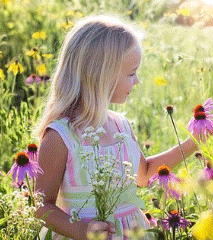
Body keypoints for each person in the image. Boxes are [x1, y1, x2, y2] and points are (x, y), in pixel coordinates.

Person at [33, 14, 199, 240]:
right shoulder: (61, 136)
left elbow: (144, 174)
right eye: (131, 74)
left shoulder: (121, 125)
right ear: (101, 76)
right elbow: (41, 205)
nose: (137, 81)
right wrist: (81, 230)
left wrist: (195, 142)